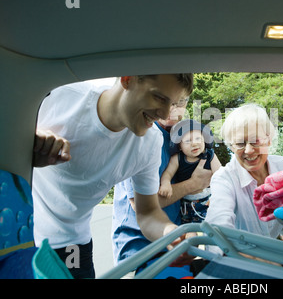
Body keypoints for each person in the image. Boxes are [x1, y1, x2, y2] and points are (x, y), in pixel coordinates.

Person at [32, 74, 194, 278]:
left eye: (173, 104)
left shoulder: (150, 143)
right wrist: (27, 148)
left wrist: (169, 233)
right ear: (127, 78)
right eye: (159, 98)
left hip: (71, 244)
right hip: (19, 235)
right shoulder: (58, 96)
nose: (164, 113)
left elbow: (148, 213)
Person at [112, 105, 213, 278]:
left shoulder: (183, 139)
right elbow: (142, 205)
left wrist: (187, 229)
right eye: (168, 101)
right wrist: (193, 183)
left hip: (175, 248)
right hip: (140, 251)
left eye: (180, 101)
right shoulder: (139, 136)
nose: (172, 108)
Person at [205, 104, 283, 255]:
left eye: (256, 141)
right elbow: (218, 226)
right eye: (240, 143)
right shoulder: (224, 178)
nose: (249, 150)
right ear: (231, 147)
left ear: (268, 140)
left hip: (282, 259)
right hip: (241, 260)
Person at [158, 119, 221, 224]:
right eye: (188, 141)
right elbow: (168, 173)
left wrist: (219, 196)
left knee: (211, 226)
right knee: (188, 229)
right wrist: (165, 183)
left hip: (208, 199)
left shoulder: (210, 155)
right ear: (179, 146)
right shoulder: (178, 158)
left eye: (198, 139)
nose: (194, 144)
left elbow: (220, 176)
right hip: (186, 203)